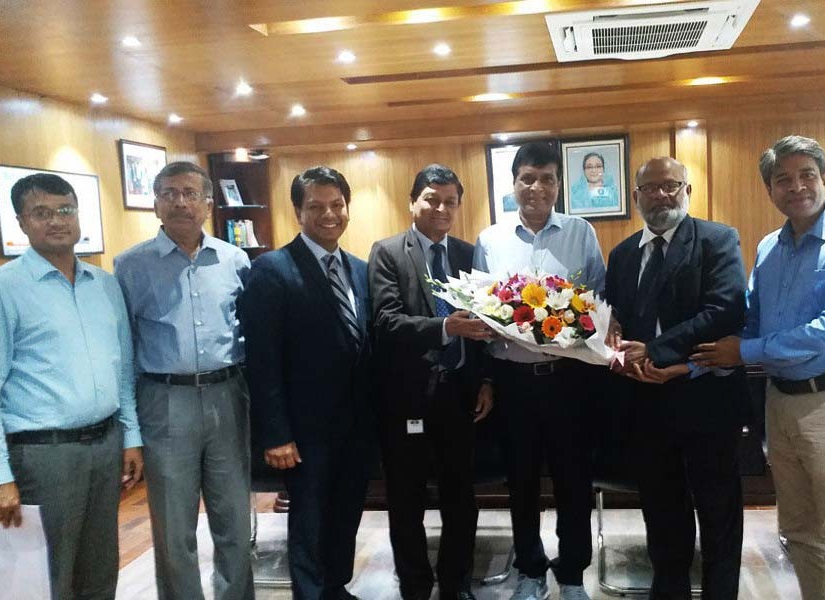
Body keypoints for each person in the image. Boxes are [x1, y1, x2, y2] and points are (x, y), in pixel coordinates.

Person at [692, 135, 825, 600]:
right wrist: (687, 362)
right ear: (770, 191)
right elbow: (752, 321)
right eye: (782, 179)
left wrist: (741, 352)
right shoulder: (769, 248)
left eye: (806, 174)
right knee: (799, 533)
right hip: (780, 404)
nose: (796, 186)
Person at [604, 157, 748, 599]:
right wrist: (615, 338)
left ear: (687, 191)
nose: (662, 195)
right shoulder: (623, 253)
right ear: (636, 197)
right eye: (651, 188)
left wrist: (658, 351)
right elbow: (616, 317)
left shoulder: (717, 240)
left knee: (718, 507)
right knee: (662, 509)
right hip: (646, 400)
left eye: (671, 186)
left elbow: (724, 310)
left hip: (706, 394)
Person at [0, 173, 143, 599]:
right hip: (44, 455)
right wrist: (0, 475)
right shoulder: (6, 289)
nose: (56, 221)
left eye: (65, 210)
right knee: (47, 575)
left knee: (100, 569)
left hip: (105, 445)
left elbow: (123, 369)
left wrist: (130, 438)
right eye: (41, 213)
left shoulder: (105, 285)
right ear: (21, 223)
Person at [114, 161, 254, 600]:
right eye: (169, 193)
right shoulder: (130, 266)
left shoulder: (235, 259)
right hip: (164, 400)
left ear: (208, 204)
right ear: (155, 203)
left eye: (190, 193)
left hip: (228, 394)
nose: (180, 201)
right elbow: (123, 349)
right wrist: (130, 429)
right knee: (174, 526)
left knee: (233, 517)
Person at [472, 141, 606, 600]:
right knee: (521, 481)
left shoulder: (581, 233)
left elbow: (598, 304)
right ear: (513, 184)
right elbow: (480, 315)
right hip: (512, 384)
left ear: (557, 185)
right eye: (527, 177)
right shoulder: (490, 240)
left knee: (573, 481)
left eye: (546, 178)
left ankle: (571, 574)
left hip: (569, 381)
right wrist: (488, 377)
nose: (536, 187)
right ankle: (529, 570)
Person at [240, 166, 374, 600]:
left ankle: (336, 587)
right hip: (303, 432)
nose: (328, 214)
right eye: (315, 206)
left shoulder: (359, 269)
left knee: (346, 514)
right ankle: (311, 594)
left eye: (337, 205)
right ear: (298, 211)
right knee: (310, 521)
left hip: (355, 425)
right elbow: (262, 361)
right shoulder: (271, 271)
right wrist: (276, 434)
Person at [369, 164, 494, 600]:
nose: (441, 208)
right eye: (431, 199)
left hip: (460, 395)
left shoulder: (468, 254)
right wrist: (445, 329)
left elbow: (486, 327)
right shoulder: (387, 252)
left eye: (450, 201)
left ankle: (456, 583)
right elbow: (386, 321)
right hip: (407, 399)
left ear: (459, 205)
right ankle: (416, 586)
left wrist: (486, 381)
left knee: (461, 498)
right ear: (413, 201)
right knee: (407, 501)